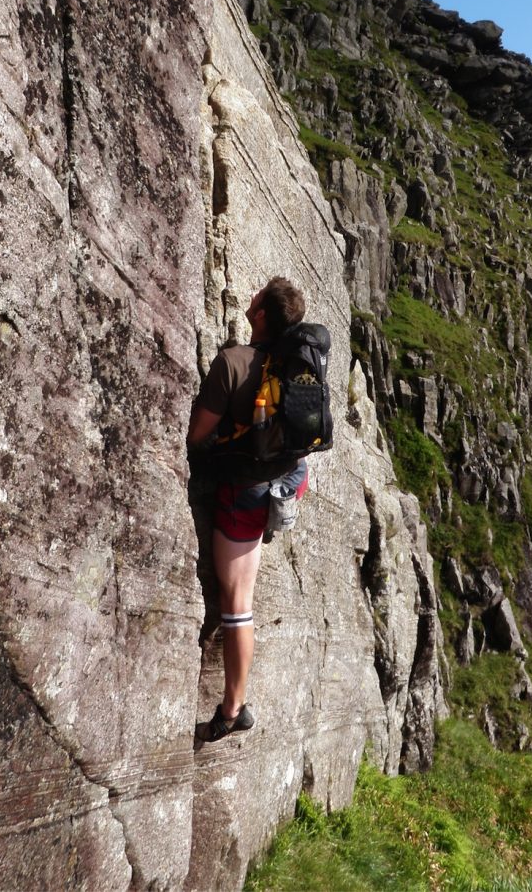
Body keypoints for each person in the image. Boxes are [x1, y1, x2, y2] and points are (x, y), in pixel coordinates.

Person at [188, 277, 310, 742]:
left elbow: (197, 437)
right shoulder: (292, 367)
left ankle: (234, 708)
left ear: (260, 314)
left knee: (237, 605)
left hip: (247, 495)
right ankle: (237, 699)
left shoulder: (233, 363)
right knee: (244, 592)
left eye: (259, 295)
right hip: (287, 483)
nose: (252, 295)